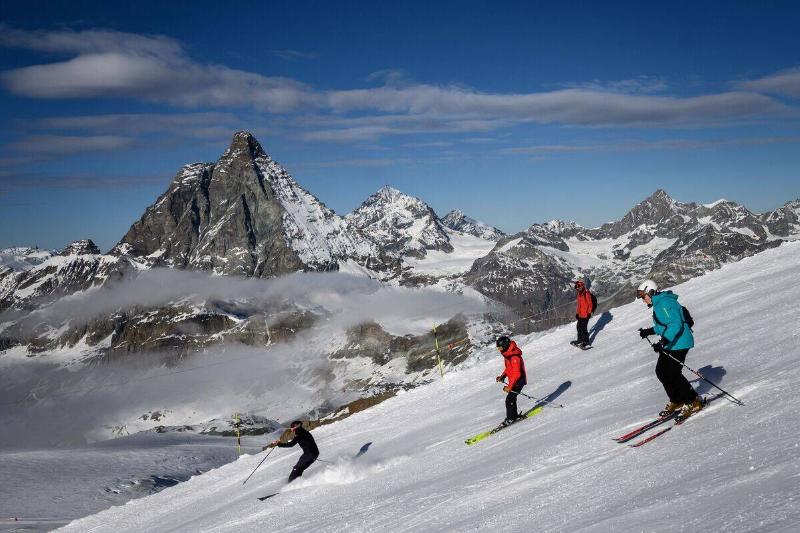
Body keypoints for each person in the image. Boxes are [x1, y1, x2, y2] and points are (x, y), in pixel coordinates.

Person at [636, 280, 703, 419]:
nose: (643, 300)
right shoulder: (659, 304)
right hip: (672, 343)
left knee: (673, 373)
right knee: (661, 371)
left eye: (643, 296)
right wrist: (649, 331)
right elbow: (665, 325)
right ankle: (677, 399)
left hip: (680, 342)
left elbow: (675, 324)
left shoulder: (664, 303)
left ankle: (693, 401)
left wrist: (664, 341)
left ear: (650, 291)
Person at [495, 336, 528, 426]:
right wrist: (502, 376)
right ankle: (513, 416)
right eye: (498, 348)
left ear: (505, 345)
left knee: (509, 400)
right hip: (514, 380)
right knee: (511, 398)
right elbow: (509, 369)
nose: (499, 350)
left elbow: (517, 374)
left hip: (518, 381)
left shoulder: (514, 357)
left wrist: (510, 386)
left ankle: (511, 418)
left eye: (500, 348)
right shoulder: (508, 355)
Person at [572, 280, 595, 348]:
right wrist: (577, 313)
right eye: (576, 288)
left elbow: (590, 304)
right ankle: (580, 340)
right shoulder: (579, 294)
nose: (577, 289)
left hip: (586, 314)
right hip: (581, 314)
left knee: (584, 328)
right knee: (579, 327)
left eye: (578, 288)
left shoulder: (586, 293)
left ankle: (586, 342)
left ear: (582, 286)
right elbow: (579, 305)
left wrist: (589, 313)